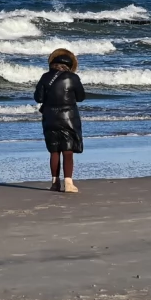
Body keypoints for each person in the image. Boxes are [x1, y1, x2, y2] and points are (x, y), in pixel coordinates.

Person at [34, 48, 85, 193]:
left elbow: (39, 98)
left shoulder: (45, 77)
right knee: (68, 150)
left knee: (54, 151)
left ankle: (55, 183)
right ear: (69, 66)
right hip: (68, 117)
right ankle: (68, 183)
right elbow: (81, 97)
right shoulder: (73, 78)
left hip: (49, 117)